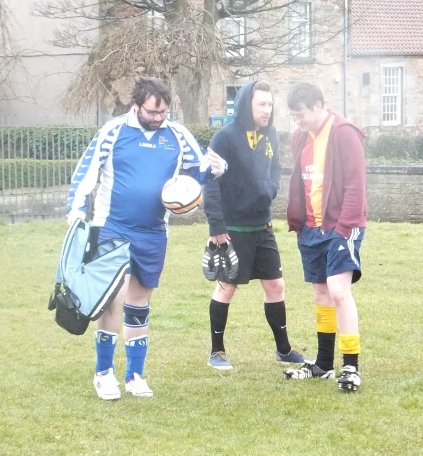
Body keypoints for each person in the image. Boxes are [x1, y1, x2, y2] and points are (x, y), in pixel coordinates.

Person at [66, 76, 226, 400]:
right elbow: (86, 173)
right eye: (152, 112)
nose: (157, 118)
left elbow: (197, 172)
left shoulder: (177, 135)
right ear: (135, 105)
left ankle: (135, 376)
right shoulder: (113, 132)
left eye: (163, 112)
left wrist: (216, 168)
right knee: (114, 298)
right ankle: (104, 373)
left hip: (154, 233)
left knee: (140, 305)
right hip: (113, 228)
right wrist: (75, 215)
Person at [202, 81, 305, 371]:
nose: (267, 110)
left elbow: (275, 170)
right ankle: (217, 352)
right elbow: (209, 182)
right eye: (261, 104)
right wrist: (216, 225)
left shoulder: (271, 133)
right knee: (226, 287)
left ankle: (284, 350)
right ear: (247, 104)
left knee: (276, 285)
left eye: (270, 105)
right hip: (232, 229)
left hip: (263, 226)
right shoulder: (224, 137)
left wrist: (271, 189)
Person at [283, 82, 367, 392]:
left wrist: (344, 228)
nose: (297, 122)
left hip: (342, 226)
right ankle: (322, 364)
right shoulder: (298, 137)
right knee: (320, 293)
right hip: (311, 228)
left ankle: (351, 366)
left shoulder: (345, 133)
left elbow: (356, 186)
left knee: (339, 291)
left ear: (319, 105)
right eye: (292, 116)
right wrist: (301, 224)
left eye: (301, 115)